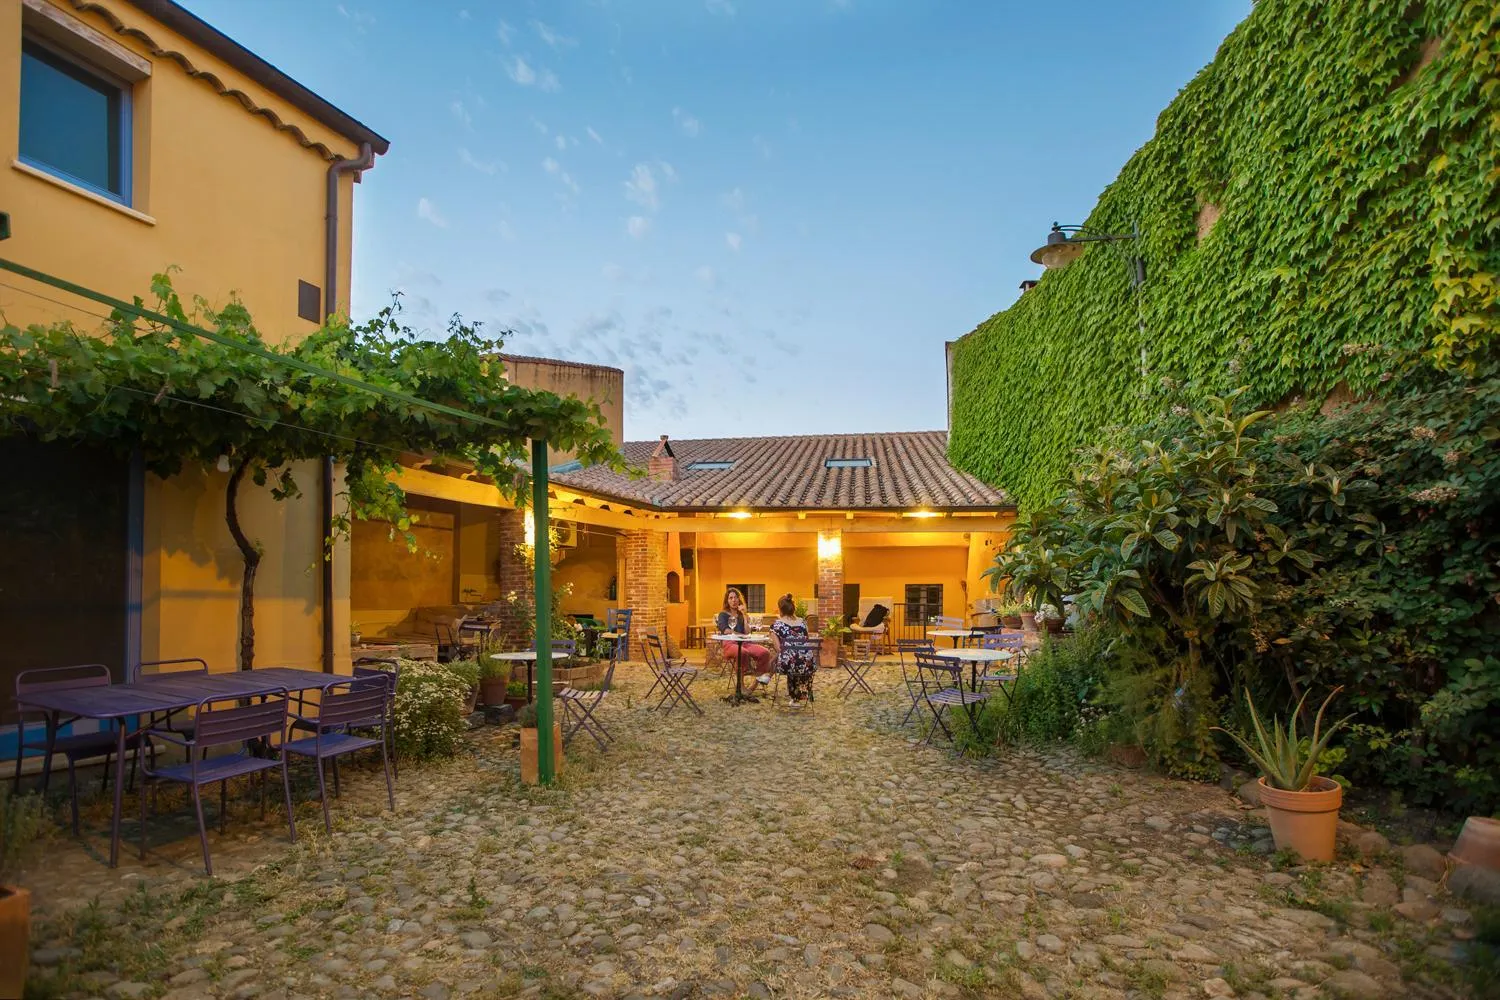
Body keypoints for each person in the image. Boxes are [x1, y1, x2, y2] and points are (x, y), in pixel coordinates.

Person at [715, 587, 772, 686]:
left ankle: (756, 682)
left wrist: (745, 615)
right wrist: (741, 635)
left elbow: (747, 632)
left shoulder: (741, 615)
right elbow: (726, 631)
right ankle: (742, 683)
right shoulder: (723, 615)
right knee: (742, 652)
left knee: (765, 652)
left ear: (739, 600)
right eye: (731, 598)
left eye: (736, 597)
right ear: (727, 601)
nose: (734, 600)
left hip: (745, 643)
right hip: (730, 644)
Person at [768, 593, 816, 706]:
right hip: (808, 663)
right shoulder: (803, 622)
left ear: (780, 609)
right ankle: (799, 694)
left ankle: (794, 697)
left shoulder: (776, 625)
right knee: (796, 658)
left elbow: (779, 649)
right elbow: (806, 640)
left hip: (789, 664)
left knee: (790, 658)